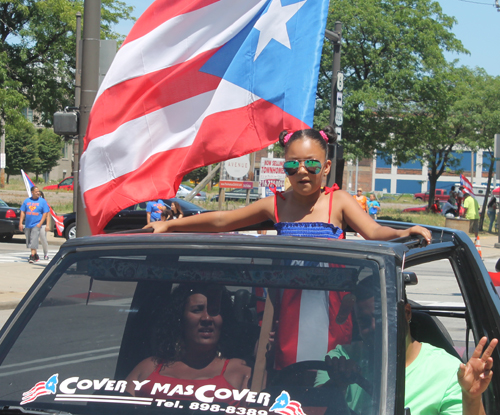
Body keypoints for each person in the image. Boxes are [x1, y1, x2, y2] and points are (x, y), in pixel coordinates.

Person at [145, 127, 431, 367]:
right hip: (287, 309)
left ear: (326, 166)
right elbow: (223, 219)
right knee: (290, 372)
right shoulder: (277, 203)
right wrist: (170, 226)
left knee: (333, 370)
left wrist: (403, 232)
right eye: (293, 164)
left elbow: (373, 232)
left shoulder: (339, 201)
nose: (302, 171)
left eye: (312, 163)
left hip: (332, 307)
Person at [316, 285, 498, 415]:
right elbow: (309, 407)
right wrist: (337, 386)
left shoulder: (448, 371)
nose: (374, 328)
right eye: (364, 321)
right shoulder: (340, 361)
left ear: (407, 313)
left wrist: (471, 398)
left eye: (381, 318)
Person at [125, 284, 251, 402]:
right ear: (180, 318)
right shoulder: (149, 367)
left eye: (215, 310)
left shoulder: (241, 371)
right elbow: (117, 407)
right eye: (197, 310)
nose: (207, 318)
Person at [18, 186, 49, 263]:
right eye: (36, 192)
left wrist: (40, 223)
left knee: (34, 239)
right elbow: (22, 212)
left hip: (37, 224)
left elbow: (45, 213)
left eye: (38, 191)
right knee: (29, 240)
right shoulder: (27, 201)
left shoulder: (42, 201)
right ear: (32, 192)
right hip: (28, 224)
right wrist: (20, 223)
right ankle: (35, 255)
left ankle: (32, 256)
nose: (38, 193)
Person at [38, 190, 50, 260]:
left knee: (43, 239)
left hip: (43, 225)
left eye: (40, 195)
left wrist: (47, 225)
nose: (38, 196)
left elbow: (48, 215)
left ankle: (46, 253)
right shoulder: (33, 203)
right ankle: (33, 254)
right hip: (34, 224)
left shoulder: (44, 203)